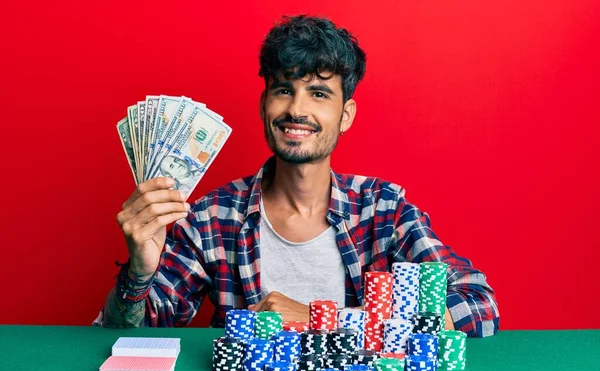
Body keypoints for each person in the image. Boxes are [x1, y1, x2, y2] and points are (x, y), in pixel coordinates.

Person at [95, 15, 500, 338]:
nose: (296, 110)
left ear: (346, 116)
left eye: (319, 93)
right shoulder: (211, 218)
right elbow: (130, 335)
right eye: (284, 90)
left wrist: (318, 318)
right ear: (264, 104)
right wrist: (140, 271)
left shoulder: (384, 211)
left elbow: (477, 305)